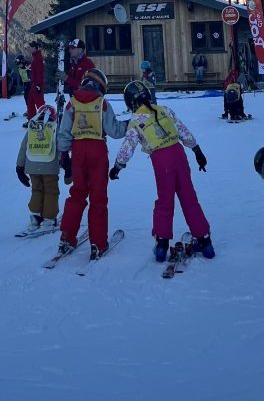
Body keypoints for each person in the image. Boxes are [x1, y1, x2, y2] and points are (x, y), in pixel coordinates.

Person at [111, 80, 214, 261]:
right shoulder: (164, 110)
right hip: (179, 155)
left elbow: (128, 147)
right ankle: (205, 242)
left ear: (130, 102)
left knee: (165, 201)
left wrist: (117, 166)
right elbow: (182, 130)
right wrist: (197, 150)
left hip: (161, 161)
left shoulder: (135, 121)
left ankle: (161, 244)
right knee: (189, 197)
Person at [56, 68, 129, 259]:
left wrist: (64, 155)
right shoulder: (102, 103)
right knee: (98, 197)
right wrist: (130, 124)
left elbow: (64, 132)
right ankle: (98, 242)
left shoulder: (72, 103)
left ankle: (66, 236)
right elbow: (114, 131)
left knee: (77, 193)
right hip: (97, 150)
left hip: (78, 151)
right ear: (101, 85)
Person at [15, 104, 64, 233]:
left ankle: (36, 216)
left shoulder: (31, 128)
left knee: (36, 190)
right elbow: (61, 146)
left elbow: (23, 148)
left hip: (32, 165)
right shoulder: (54, 128)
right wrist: (65, 162)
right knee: (51, 191)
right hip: (49, 166)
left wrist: (19, 166)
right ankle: (48, 219)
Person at [27, 41, 46, 118]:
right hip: (34, 83)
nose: (29, 48)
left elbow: (39, 72)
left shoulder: (38, 58)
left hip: (37, 84)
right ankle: (31, 119)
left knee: (39, 103)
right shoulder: (35, 57)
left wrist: (38, 85)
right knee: (30, 101)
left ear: (35, 48)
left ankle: (44, 118)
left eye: (31, 47)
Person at [16, 54, 32, 122]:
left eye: (20, 64)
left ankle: (32, 110)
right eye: (18, 64)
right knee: (26, 97)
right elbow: (21, 74)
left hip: (31, 83)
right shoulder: (19, 67)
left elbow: (31, 72)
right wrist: (20, 81)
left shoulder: (28, 65)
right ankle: (29, 109)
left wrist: (31, 79)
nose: (19, 65)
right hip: (25, 83)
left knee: (31, 97)